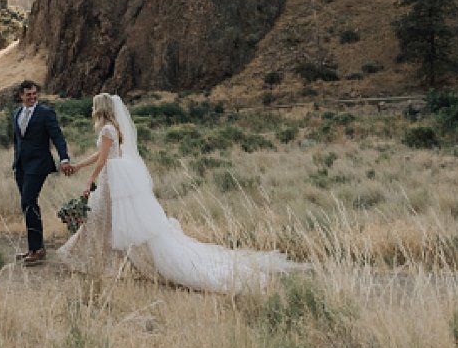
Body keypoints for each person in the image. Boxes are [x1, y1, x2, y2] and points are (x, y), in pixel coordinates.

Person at [55, 93, 299, 292]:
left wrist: (89, 180)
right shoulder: (111, 128)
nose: (92, 108)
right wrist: (78, 165)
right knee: (103, 218)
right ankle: (94, 257)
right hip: (114, 177)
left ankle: (92, 257)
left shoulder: (107, 130)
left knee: (102, 218)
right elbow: (100, 156)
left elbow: (103, 159)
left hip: (111, 178)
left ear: (101, 108)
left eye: (95, 106)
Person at [10, 79, 73, 265]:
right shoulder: (16, 113)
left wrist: (64, 158)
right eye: (28, 94)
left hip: (39, 165)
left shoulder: (46, 113)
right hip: (21, 166)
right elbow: (17, 141)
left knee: (28, 201)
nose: (32, 97)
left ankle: (37, 249)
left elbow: (57, 137)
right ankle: (34, 247)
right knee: (28, 205)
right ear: (21, 95)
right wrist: (16, 162)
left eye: (34, 94)